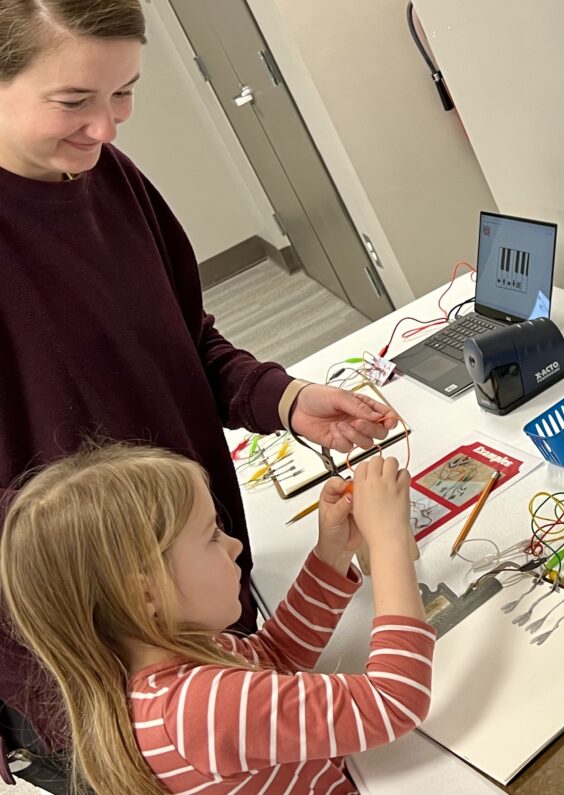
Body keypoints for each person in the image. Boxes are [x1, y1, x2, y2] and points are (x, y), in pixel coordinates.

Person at [0, 0, 398, 772]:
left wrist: (281, 399)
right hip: (83, 663)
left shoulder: (110, 177)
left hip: (197, 596)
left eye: (125, 91)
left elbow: (187, 340)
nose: (108, 128)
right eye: (75, 101)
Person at [0, 444, 433, 795]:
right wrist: (389, 541)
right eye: (210, 535)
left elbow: (271, 656)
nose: (233, 546)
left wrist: (332, 554)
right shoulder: (197, 710)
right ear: (145, 593)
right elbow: (394, 700)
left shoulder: (171, 663)